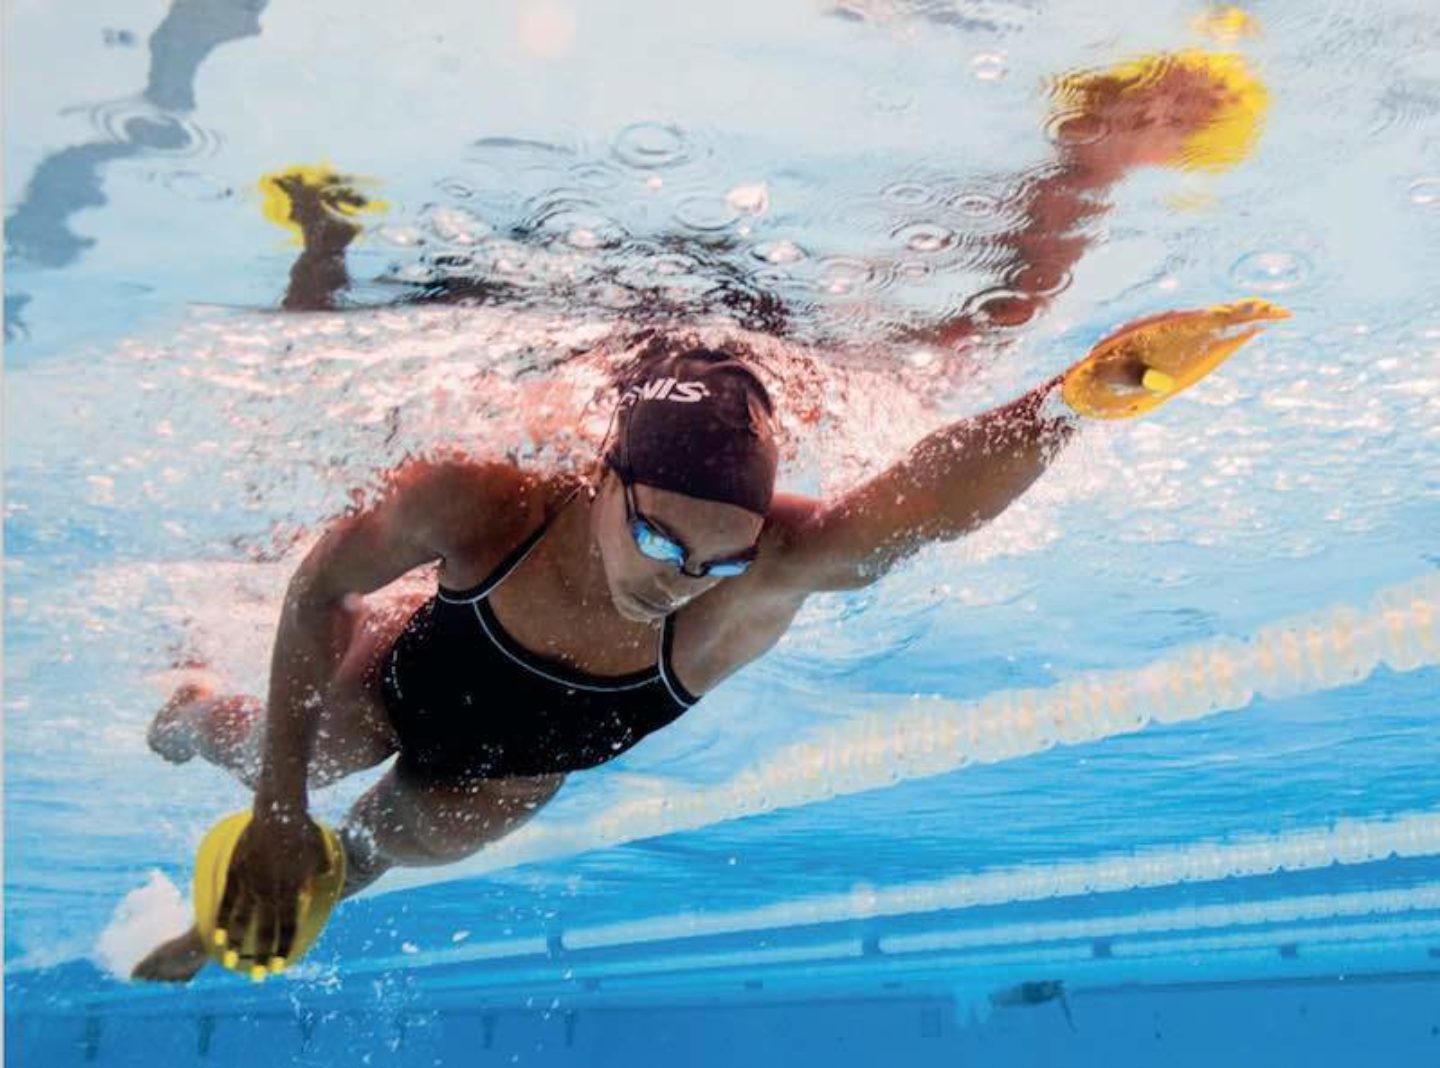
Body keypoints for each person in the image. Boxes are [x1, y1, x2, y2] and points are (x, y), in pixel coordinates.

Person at [133, 49, 1282, 981]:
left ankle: (1095, 152)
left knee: (375, 853)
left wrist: (1075, 401)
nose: (678, 579)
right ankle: (190, 698)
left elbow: (924, 504)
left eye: (713, 562)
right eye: (657, 539)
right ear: (598, 481)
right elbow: (318, 586)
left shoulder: (761, 572)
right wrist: (279, 806)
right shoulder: (483, 497)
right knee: (276, 748)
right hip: (398, 680)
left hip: (511, 775)